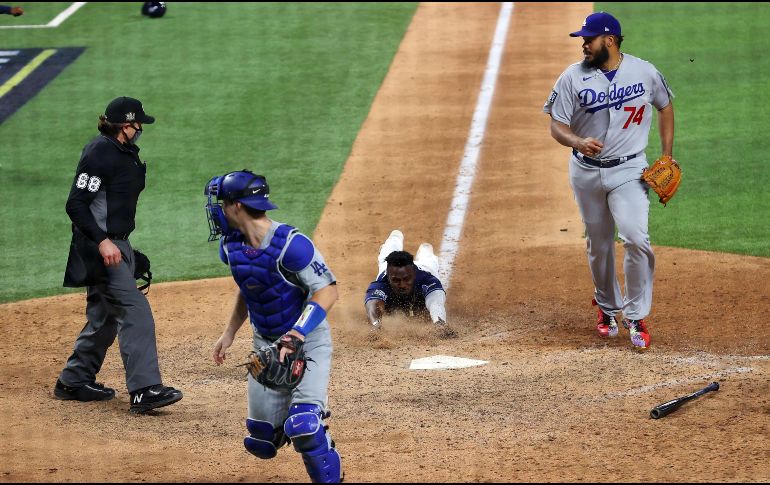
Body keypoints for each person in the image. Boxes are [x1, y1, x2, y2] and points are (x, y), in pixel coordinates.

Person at [543, 12, 675, 351]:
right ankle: (606, 307)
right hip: (585, 171)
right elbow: (556, 125)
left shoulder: (643, 71)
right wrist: (576, 141)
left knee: (635, 237)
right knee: (599, 244)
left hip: (630, 171)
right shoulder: (572, 78)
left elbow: (665, 105)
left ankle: (636, 315)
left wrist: (667, 155)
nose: (584, 45)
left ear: (610, 40)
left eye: (589, 39)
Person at [206, 170, 343, 483]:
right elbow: (252, 285)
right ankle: (291, 421)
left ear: (237, 206)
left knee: (304, 427)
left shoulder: (292, 245)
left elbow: (328, 290)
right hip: (265, 346)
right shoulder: (231, 247)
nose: (218, 210)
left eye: (222, 203)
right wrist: (229, 332)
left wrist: (296, 334)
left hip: (306, 343)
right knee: (262, 440)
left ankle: (317, 437)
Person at [56, 97, 183, 413]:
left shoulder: (123, 151)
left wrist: (125, 249)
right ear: (126, 125)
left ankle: (73, 380)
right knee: (135, 310)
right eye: (138, 123)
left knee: (105, 316)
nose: (141, 129)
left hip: (117, 246)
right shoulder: (100, 152)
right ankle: (143, 390)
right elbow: (76, 204)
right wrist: (103, 242)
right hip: (100, 248)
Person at [364, 230, 453, 337]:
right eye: (396, 280)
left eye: (407, 279)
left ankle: (425, 249)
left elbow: (436, 303)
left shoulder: (428, 279)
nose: (402, 284)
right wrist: (375, 327)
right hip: (391, 269)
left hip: (426, 266)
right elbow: (373, 306)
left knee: (428, 256)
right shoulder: (381, 284)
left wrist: (440, 324)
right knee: (387, 253)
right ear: (389, 276)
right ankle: (396, 236)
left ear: (414, 274)